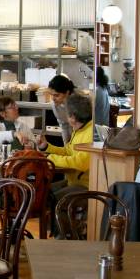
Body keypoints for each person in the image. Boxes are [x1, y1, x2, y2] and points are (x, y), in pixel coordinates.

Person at [39, 94, 93, 235]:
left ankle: (67, 236)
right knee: (44, 190)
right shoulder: (80, 130)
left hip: (87, 185)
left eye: (67, 114)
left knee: (57, 200)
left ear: (73, 117)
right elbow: (68, 151)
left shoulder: (90, 133)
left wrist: (51, 158)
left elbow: (80, 162)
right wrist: (47, 147)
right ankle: (63, 231)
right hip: (72, 180)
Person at [47, 74, 76, 144]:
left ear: (67, 93)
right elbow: (63, 125)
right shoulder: (55, 104)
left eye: (56, 95)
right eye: (51, 94)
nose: (53, 99)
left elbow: (80, 127)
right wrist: (66, 144)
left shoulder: (77, 103)